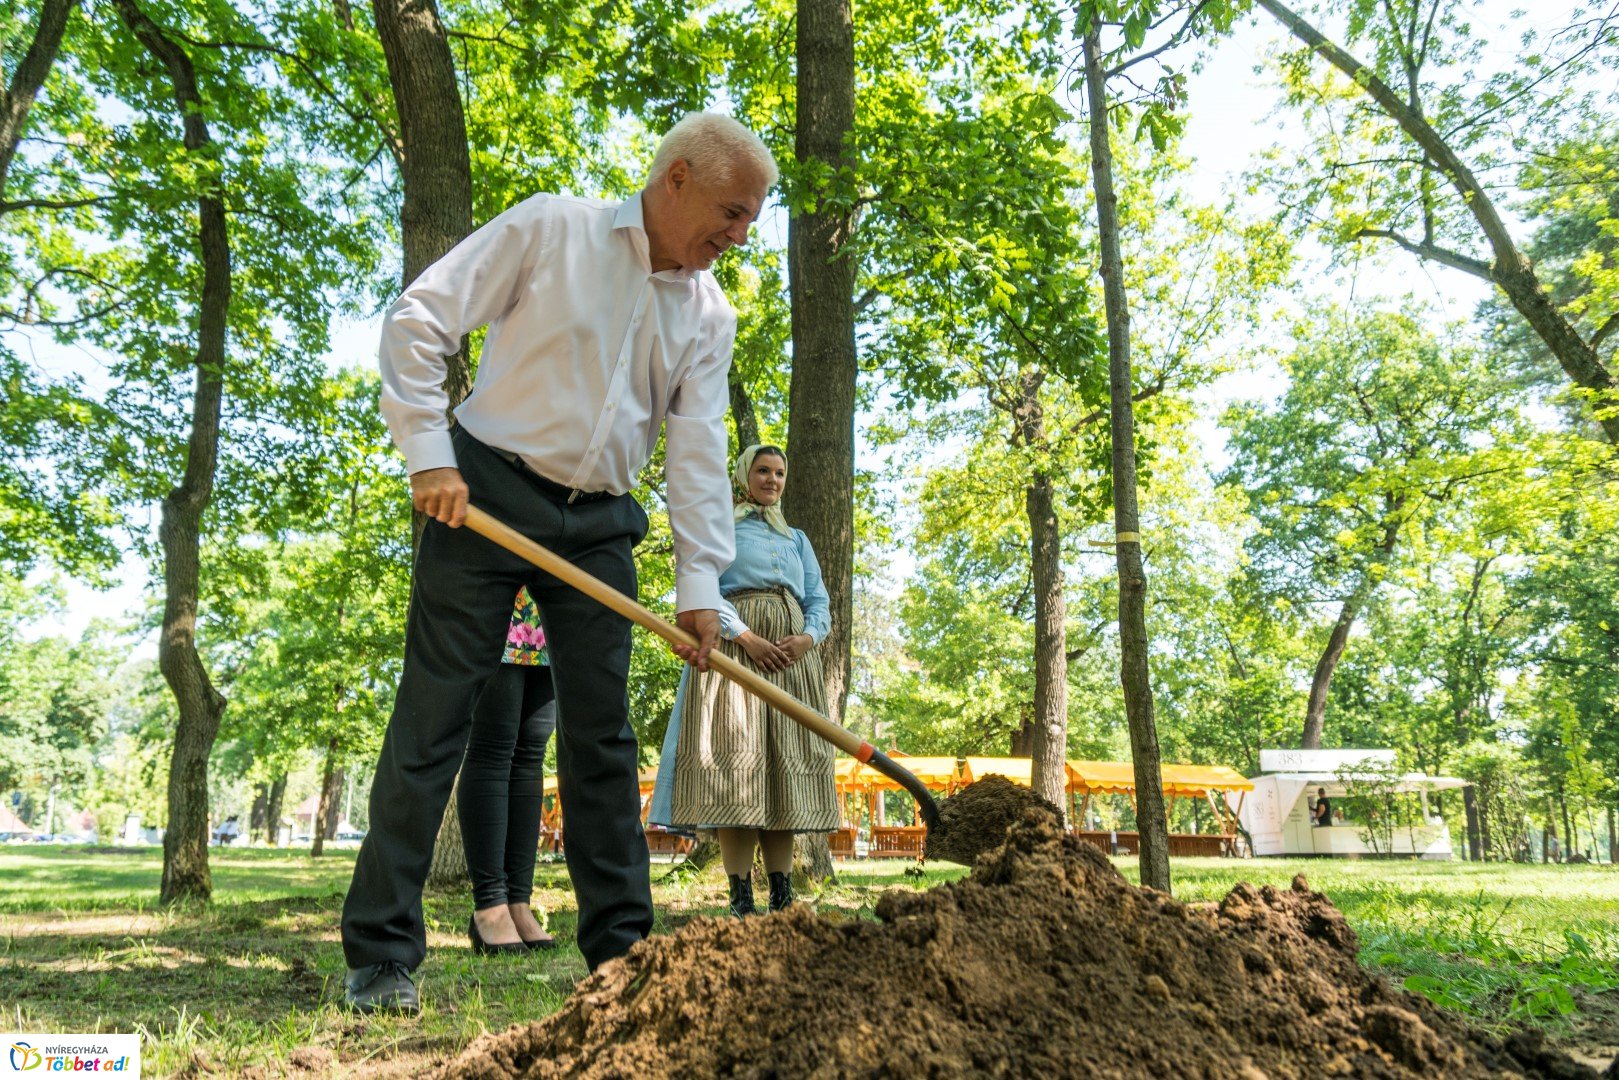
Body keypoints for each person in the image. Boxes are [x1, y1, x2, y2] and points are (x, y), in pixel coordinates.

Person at [341, 112, 776, 1015]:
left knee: (602, 743)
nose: (738, 238)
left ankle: (621, 959)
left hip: (602, 526)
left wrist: (701, 589)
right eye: (731, 214)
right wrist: (428, 451)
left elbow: (695, 456)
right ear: (678, 179)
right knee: (433, 722)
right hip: (485, 497)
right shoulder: (552, 227)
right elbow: (421, 318)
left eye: (749, 222)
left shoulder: (709, 314)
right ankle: (383, 953)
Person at [648, 444, 837, 918]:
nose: (772, 480)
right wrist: (746, 637)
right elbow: (703, 588)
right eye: (762, 471)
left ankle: (782, 895)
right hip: (737, 656)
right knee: (737, 772)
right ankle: (739, 899)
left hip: (792, 665)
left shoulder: (797, 538)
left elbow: (819, 600)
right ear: (743, 476)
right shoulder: (721, 528)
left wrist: (807, 639)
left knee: (782, 776)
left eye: (779, 473)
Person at [461, 586, 558, 954]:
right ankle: (490, 906)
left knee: (532, 750)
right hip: (500, 588)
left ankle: (518, 902)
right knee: (493, 745)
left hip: (549, 596)